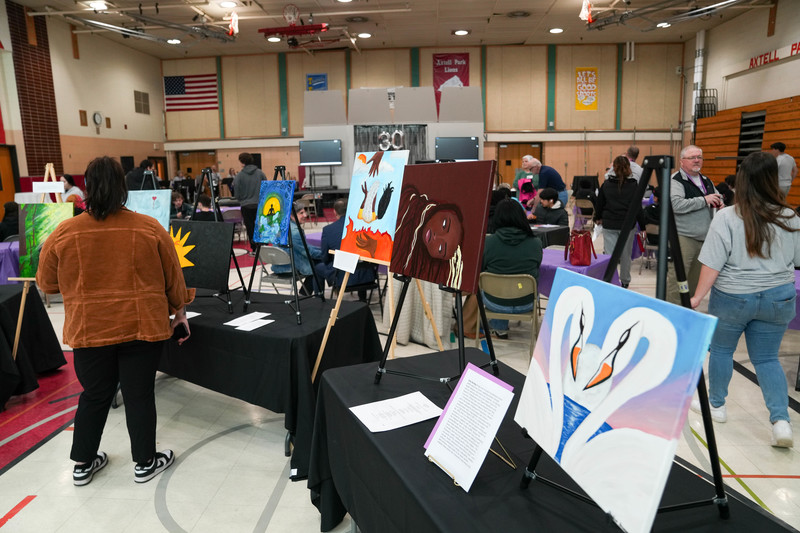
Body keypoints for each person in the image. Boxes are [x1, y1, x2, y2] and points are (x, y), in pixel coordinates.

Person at [36, 156, 194, 486]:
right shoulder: (149, 227)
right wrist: (180, 310)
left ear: (87, 189)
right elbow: (174, 281)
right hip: (142, 328)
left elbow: (47, 283)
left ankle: (82, 463)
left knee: (94, 395)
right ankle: (145, 462)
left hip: (90, 330)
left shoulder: (64, 232)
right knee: (138, 395)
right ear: (123, 187)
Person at [690, 152, 800, 448]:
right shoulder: (790, 216)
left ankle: (717, 406)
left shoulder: (727, 217)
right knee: (767, 358)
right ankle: (781, 422)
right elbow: (797, 259)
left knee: (722, 351)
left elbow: (712, 263)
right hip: (778, 297)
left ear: (742, 181)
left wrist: (697, 296)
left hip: (733, 297)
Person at [667, 145, 724, 304]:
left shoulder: (706, 180)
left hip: (705, 237)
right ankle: (671, 310)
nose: (697, 160)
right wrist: (704, 200)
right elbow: (676, 205)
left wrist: (719, 204)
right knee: (677, 277)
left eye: (699, 157)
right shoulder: (675, 180)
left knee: (694, 278)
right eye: (692, 157)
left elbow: (714, 198)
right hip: (684, 236)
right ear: (682, 161)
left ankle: (687, 308)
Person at [481, 198, 543, 339]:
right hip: (526, 303)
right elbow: (536, 267)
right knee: (518, 283)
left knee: (489, 283)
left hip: (495, 302)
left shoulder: (488, 242)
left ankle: (499, 328)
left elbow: (481, 269)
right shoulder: (535, 243)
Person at [392, 184, 465, 290]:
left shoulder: (416, 264)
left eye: (441, 248)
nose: (436, 237)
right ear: (441, 209)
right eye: (444, 224)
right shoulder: (407, 201)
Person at [595, 155, 643, 288]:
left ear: (613, 168)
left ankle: (610, 279)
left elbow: (600, 203)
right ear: (629, 168)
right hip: (627, 225)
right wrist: (643, 225)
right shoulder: (634, 185)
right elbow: (637, 207)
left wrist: (597, 218)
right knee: (626, 254)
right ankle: (625, 281)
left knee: (610, 254)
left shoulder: (606, 184)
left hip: (610, 223)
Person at [314, 199, 376, 300]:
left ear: (334, 212)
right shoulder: (364, 226)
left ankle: (318, 300)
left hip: (342, 276)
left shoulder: (328, 230)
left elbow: (325, 257)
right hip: (367, 276)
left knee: (317, 268)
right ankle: (363, 299)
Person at [272, 203, 322, 294]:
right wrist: (325, 253)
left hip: (279, 265)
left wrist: (321, 250)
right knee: (321, 265)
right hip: (289, 267)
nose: (305, 215)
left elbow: (306, 247)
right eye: (301, 213)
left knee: (319, 260)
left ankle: (305, 292)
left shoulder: (280, 226)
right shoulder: (295, 231)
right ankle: (314, 295)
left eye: (305, 212)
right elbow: (308, 252)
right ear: (292, 215)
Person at [234, 152, 267, 253]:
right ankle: (264, 247)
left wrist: (242, 199)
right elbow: (266, 188)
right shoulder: (261, 173)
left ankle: (254, 248)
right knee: (261, 226)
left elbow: (237, 193)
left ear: (242, 162)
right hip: (260, 204)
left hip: (246, 205)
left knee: (250, 227)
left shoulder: (239, 176)